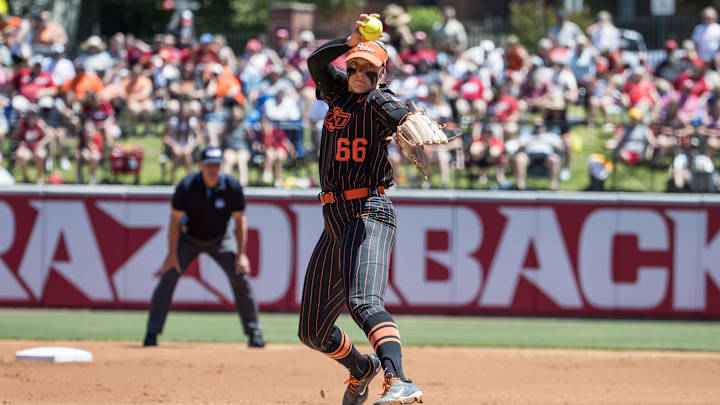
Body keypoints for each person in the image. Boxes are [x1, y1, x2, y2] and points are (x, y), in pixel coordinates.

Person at [301, 13, 423, 405]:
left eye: (366, 67)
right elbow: (317, 62)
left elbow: (402, 114)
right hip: (334, 220)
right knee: (313, 331)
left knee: (364, 302)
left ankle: (399, 379)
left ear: (379, 72)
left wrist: (410, 120)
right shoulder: (336, 94)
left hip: (369, 211)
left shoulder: (378, 99)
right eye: (353, 64)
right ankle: (361, 368)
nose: (356, 71)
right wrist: (352, 40)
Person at [143, 146, 265, 348]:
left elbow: (240, 221)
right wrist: (172, 254)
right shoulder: (187, 185)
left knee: (240, 278)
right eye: (209, 165)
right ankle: (151, 334)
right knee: (168, 277)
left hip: (221, 238)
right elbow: (174, 221)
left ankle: (255, 333)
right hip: (189, 238)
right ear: (201, 165)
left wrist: (242, 255)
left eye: (217, 165)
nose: (213, 170)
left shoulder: (232, 186)